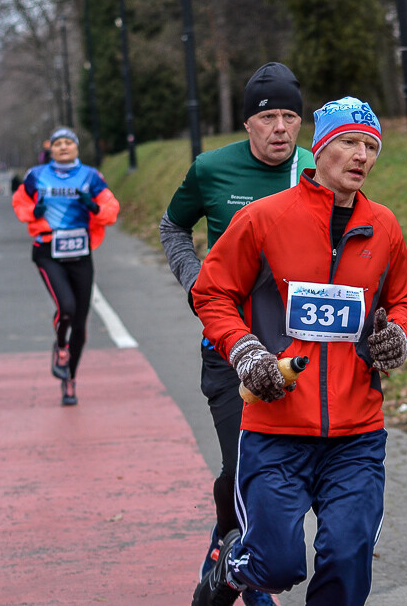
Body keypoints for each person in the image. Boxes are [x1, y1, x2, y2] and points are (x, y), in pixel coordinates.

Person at [190, 96, 407, 606]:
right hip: (276, 429)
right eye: (349, 143)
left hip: (356, 434)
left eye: (370, 146)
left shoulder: (383, 226)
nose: (361, 156)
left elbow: (404, 296)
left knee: (346, 562)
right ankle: (231, 565)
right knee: (275, 567)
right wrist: (246, 352)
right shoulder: (264, 218)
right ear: (319, 151)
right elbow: (212, 291)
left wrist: (398, 332)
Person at [159, 62, 313, 606]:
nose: (280, 128)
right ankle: (250, 569)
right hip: (227, 347)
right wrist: (196, 279)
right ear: (247, 123)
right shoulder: (211, 169)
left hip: (295, 350)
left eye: (290, 116)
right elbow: (173, 224)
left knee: (275, 467)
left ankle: (227, 550)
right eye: (267, 116)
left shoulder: (314, 169)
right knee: (243, 461)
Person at [12, 127, 119, 406]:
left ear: (76, 148)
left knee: (81, 326)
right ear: (50, 149)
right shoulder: (37, 175)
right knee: (66, 309)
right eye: (57, 143)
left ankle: (69, 379)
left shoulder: (91, 176)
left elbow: (110, 207)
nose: (62, 147)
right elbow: (20, 200)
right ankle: (60, 346)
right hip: (48, 251)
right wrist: (32, 212)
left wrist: (93, 208)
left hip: (80, 253)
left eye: (68, 143)